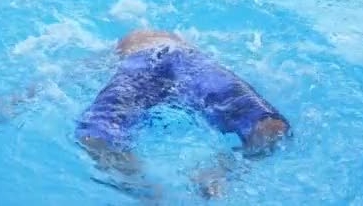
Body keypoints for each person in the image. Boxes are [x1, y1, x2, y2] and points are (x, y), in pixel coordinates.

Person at [75, 30, 290, 198]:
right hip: (189, 63)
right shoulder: (190, 44)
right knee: (272, 127)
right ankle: (220, 170)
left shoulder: (123, 45)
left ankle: (149, 191)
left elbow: (82, 69)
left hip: (141, 63)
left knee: (95, 136)